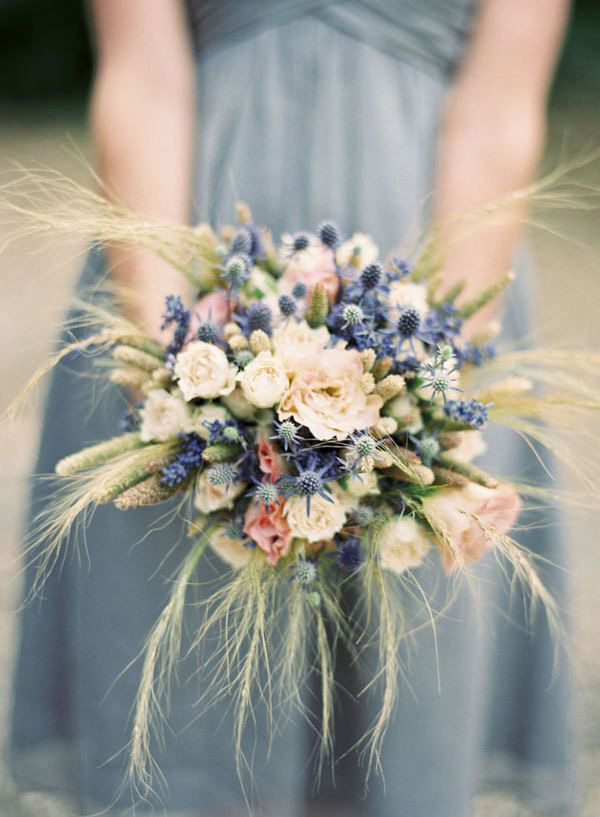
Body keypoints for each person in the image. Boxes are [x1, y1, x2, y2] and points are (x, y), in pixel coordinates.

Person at [10, 1, 575, 815]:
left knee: (406, 666)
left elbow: (498, 105)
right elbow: (144, 75)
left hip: (432, 265)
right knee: (184, 688)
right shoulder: (175, 337)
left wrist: (429, 378)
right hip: (186, 261)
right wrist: (175, 375)